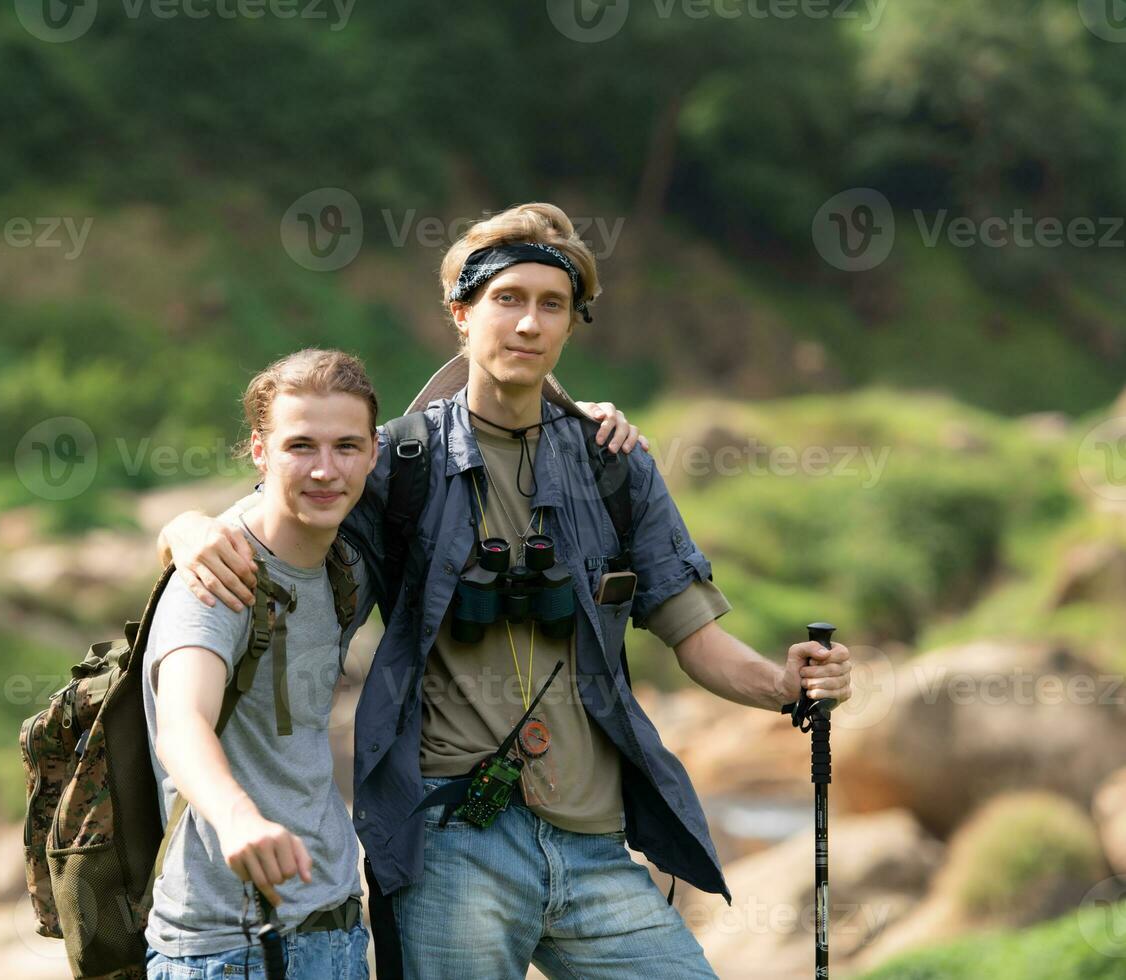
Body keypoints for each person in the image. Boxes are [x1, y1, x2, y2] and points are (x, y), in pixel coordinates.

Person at [163, 202, 853, 979]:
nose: (528, 323)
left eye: (550, 304)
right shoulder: (399, 461)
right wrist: (186, 527)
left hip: (594, 840)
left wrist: (782, 684)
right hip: (452, 843)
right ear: (461, 313)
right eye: (507, 300)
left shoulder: (613, 463)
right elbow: (292, 500)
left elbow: (692, 633)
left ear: (571, 324)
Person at [141, 348, 382, 979]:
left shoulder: (350, 563)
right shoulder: (216, 574)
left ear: (374, 453)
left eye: (346, 447)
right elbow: (182, 724)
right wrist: (238, 819)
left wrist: (578, 415)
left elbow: (479, 388)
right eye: (301, 446)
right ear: (260, 452)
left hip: (334, 923)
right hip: (224, 943)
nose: (326, 470)